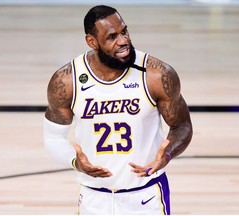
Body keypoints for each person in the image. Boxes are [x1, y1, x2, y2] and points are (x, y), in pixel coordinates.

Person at [43, 5, 192, 215]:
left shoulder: (157, 75)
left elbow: (182, 125)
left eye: (124, 31)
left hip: (146, 195)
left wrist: (166, 155)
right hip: (94, 197)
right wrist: (75, 162)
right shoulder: (67, 80)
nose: (123, 41)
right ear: (92, 42)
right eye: (112, 37)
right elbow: (53, 137)